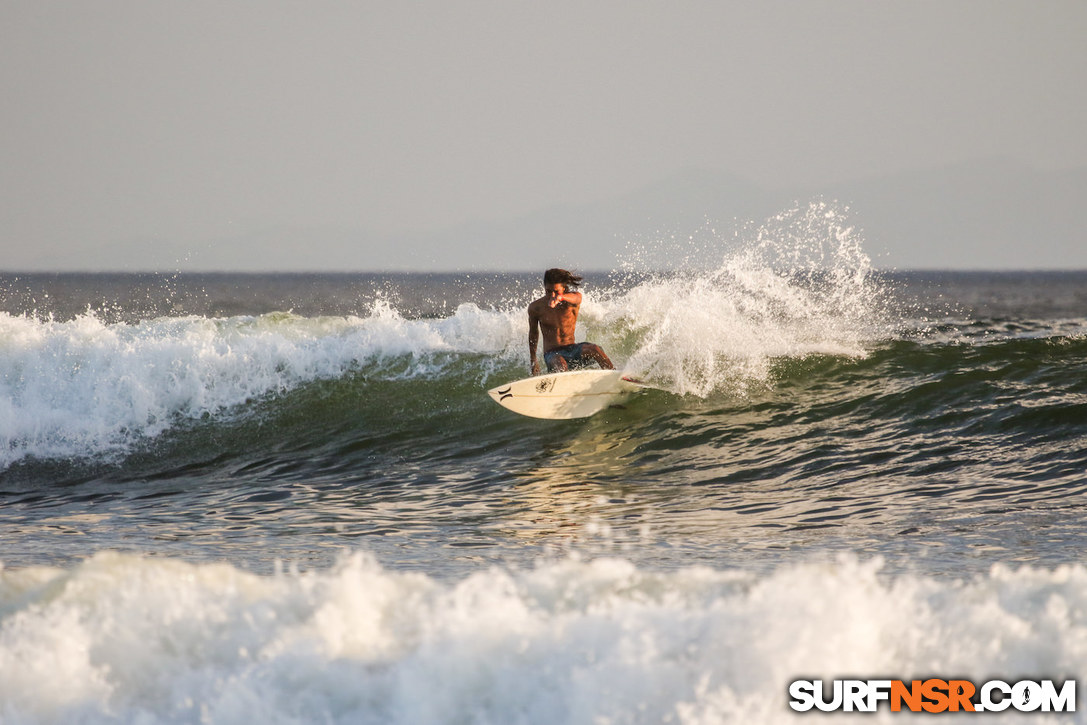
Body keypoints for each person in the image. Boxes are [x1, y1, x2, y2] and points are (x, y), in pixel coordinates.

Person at [528, 268, 615, 375]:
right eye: (548, 291)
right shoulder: (536, 307)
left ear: (564, 288)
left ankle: (613, 376)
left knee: (594, 349)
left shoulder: (572, 300)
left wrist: (560, 298)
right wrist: (533, 360)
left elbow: (577, 298)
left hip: (573, 349)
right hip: (552, 354)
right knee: (560, 364)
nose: (552, 295)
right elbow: (533, 334)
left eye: (556, 291)